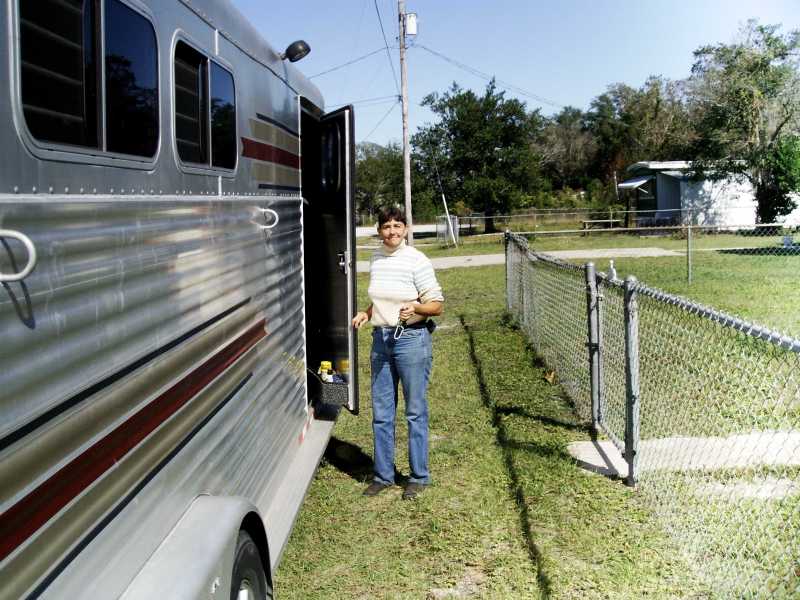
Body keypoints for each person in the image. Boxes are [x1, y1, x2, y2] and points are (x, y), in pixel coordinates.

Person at [351, 207, 444, 500]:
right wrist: (366, 313)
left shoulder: (417, 259)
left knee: (414, 411)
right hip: (381, 340)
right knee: (381, 412)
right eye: (386, 226)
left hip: (410, 340)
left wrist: (415, 307)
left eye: (397, 226)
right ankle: (383, 476)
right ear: (379, 230)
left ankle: (419, 477)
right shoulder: (376, 257)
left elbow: (437, 305)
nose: (391, 231)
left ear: (405, 229)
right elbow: (382, 297)